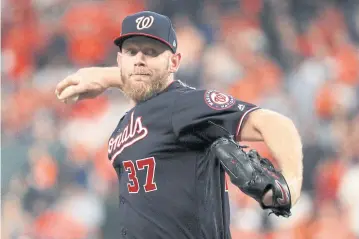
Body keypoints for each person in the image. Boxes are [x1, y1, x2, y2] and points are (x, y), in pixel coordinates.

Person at [56, 11, 303, 239]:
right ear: (120, 60)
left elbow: (274, 123)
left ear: (174, 63)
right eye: (131, 52)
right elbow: (138, 81)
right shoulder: (124, 124)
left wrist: (291, 183)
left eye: (152, 52)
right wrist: (106, 77)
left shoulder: (185, 104)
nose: (140, 59)